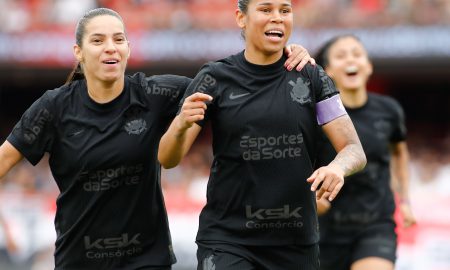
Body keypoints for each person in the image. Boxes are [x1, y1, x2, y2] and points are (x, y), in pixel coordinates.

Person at [0, 7, 316, 270]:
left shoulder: (156, 93)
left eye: (118, 39)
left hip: (147, 259)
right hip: (79, 258)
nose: (110, 46)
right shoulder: (53, 108)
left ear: (127, 48)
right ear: (78, 52)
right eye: (98, 40)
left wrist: (278, 56)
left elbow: (231, 86)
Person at [158, 1, 367, 269]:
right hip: (228, 241)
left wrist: (337, 168)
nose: (277, 18)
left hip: (295, 244)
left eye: (285, 10)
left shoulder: (312, 77)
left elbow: (354, 150)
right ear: (241, 18)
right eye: (266, 10)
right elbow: (167, 158)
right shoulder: (214, 77)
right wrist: (181, 125)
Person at [314, 34, 417, 270]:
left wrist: (405, 200)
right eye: (341, 56)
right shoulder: (314, 116)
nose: (351, 60)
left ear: (368, 66)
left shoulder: (389, 110)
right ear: (327, 70)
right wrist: (309, 199)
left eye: (357, 54)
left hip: (375, 224)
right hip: (324, 229)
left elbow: (399, 153)